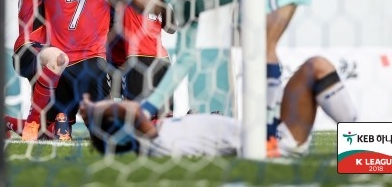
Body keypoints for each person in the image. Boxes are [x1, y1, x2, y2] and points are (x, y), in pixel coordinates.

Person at [109, 0, 318, 137]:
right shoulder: (181, 1)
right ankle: (284, 134)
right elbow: (185, 58)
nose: (139, 12)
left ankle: (269, 133)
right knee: (265, 48)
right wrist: (148, 107)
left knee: (260, 46)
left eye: (134, 4)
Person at [80, 55, 357, 157]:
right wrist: (92, 112)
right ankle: (370, 150)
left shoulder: (160, 131)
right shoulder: (153, 142)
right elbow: (132, 113)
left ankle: (369, 148)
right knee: (316, 67)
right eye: (115, 107)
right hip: (274, 144)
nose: (124, 102)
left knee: (309, 67)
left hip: (265, 135)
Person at [6, 0, 101, 141]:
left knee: (46, 130)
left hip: (46, 52)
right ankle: (32, 122)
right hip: (29, 47)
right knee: (60, 58)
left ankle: (7, 121)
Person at [92, 0, 177, 103]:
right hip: (162, 59)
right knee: (162, 118)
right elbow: (172, 28)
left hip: (134, 59)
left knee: (136, 119)